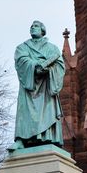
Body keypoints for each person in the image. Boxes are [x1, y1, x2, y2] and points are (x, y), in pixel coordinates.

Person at [11, 20, 66, 149]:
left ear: (42, 30)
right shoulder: (22, 47)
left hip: (46, 85)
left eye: (36, 26)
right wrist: (35, 66)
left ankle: (48, 137)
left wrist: (49, 70)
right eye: (31, 26)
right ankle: (21, 139)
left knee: (47, 109)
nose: (32, 28)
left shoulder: (52, 48)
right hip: (29, 84)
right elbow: (21, 60)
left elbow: (60, 65)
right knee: (24, 110)